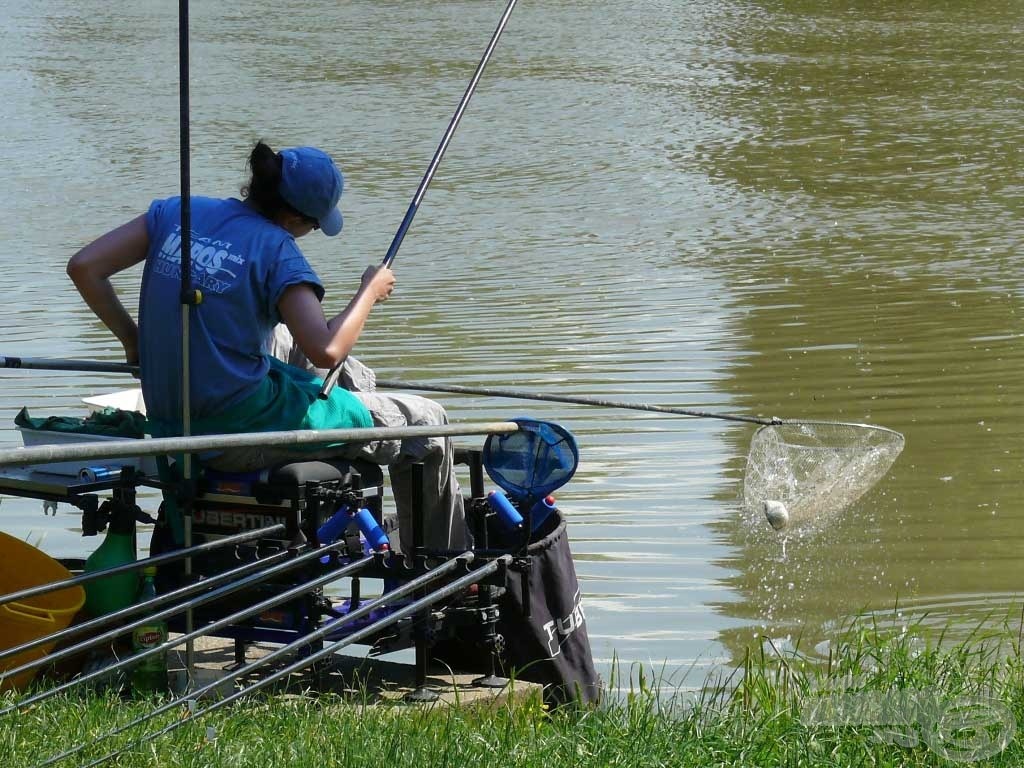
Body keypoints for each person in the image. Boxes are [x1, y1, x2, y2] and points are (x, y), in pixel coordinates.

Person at [66, 141, 467, 552]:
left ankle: (353, 412)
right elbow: (326, 351)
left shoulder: (177, 211)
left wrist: (133, 341)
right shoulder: (277, 250)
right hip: (235, 432)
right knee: (428, 423)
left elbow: (84, 267)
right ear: (294, 217)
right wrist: (369, 289)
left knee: (311, 352)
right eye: (312, 226)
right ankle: (443, 571)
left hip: (171, 419)